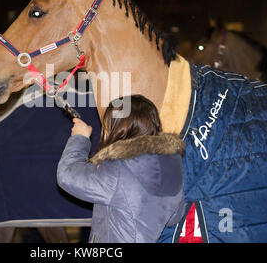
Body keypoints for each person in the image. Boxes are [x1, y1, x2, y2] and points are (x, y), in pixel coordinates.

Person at [57, 94, 186, 243]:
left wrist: (80, 138)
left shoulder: (120, 168)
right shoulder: (172, 167)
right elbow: (175, 217)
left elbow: (66, 175)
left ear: (119, 128)